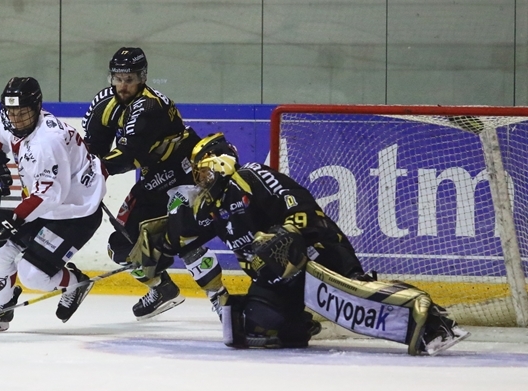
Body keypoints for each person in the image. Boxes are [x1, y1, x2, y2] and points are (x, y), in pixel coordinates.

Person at [139, 132, 470, 355]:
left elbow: (301, 208)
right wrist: (152, 250)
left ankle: (432, 321)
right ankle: (298, 323)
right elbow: (181, 239)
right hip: (278, 277)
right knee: (249, 329)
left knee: (357, 296)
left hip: (316, 252)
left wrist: (282, 237)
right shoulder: (215, 207)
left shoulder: (251, 176)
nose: (200, 182)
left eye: (202, 173)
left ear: (218, 162)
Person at [82, 47, 226, 320]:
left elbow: (128, 156)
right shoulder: (105, 103)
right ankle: (162, 288)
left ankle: (221, 299)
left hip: (185, 172)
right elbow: (93, 149)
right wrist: (82, 168)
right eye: (118, 78)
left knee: (184, 236)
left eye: (130, 79)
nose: (123, 85)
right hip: (154, 178)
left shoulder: (150, 106)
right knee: (122, 244)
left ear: (143, 77)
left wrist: (92, 171)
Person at [0, 77, 107, 331]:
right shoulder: (8, 119)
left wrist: (13, 220)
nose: (16, 119)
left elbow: (49, 196)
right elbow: (0, 136)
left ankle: (75, 283)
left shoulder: (48, 142)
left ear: (37, 108)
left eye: (23, 113)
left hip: (75, 212)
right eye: (11, 112)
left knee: (33, 275)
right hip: (44, 204)